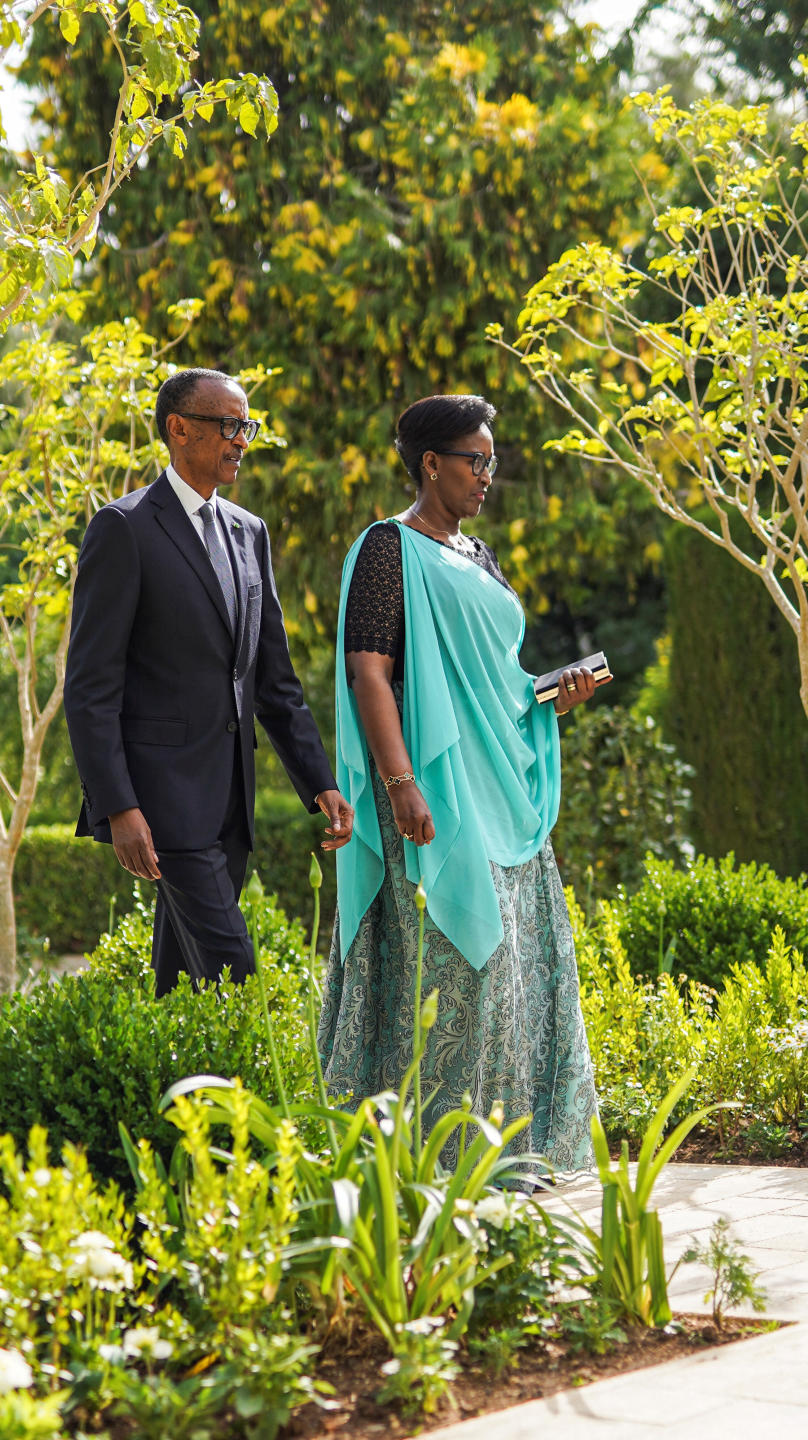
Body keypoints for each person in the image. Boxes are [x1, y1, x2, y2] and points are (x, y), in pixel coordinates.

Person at [318, 393, 603, 1171]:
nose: (486, 475)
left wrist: (555, 691)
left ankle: (512, 1153)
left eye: (492, 461)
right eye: (474, 461)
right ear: (430, 463)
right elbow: (368, 671)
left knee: (516, 977)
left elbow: (498, 687)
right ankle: (429, 1159)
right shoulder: (388, 547)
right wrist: (401, 781)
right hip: (434, 790)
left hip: (499, 789)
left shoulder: (477, 556)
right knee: (454, 971)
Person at [64, 366, 353, 994]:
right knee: (234, 973)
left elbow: (272, 679)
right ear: (178, 429)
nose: (241, 439)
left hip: (230, 802)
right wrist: (117, 806)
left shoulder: (250, 533)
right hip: (162, 803)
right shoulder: (124, 527)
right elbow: (89, 688)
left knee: (183, 985)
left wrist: (318, 783)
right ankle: (264, 1092)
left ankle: (174, 1093)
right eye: (228, 425)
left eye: (245, 425)